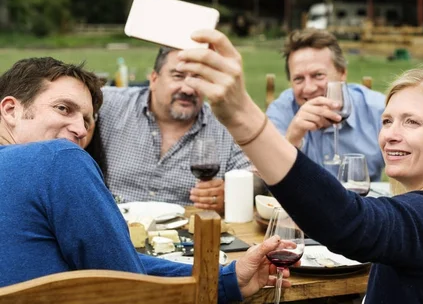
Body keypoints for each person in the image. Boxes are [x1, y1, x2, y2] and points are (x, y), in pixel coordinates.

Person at [176, 30, 423, 303]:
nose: (391, 135)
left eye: (411, 122)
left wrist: (242, 118)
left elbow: (348, 221)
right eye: (388, 121)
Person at [0, 57, 290, 301]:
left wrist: (226, 279)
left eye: (88, 121)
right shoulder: (58, 158)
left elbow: (112, 261)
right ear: (11, 109)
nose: (80, 129)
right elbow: (127, 286)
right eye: (64, 108)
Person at [98, 46, 253, 213]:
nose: (188, 89)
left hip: (190, 235)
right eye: (178, 76)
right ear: (154, 79)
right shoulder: (110, 105)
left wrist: (229, 196)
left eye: (198, 79)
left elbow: (257, 179)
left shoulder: (225, 127)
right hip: (113, 229)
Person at [266, 28, 386, 180]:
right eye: (298, 79)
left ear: (342, 73)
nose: (309, 88)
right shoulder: (280, 112)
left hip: (365, 202)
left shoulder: (378, 110)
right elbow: (265, 178)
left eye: (318, 75)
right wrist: (292, 139)